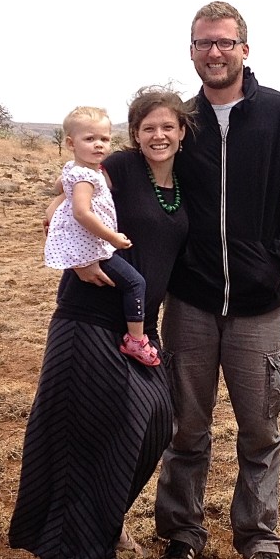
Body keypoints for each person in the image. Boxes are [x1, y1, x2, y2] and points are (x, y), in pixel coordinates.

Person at [152, 1, 280, 559]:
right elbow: (134, 173)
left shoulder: (279, 113)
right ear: (191, 51)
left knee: (260, 427)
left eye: (225, 42)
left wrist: (271, 264)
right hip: (191, 302)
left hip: (258, 305)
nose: (215, 53)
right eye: (204, 44)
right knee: (185, 429)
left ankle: (258, 537)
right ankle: (180, 536)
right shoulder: (182, 120)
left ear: (245, 48)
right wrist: (69, 199)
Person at [8, 87, 192, 559]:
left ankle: (104, 521)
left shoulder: (184, 179)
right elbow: (66, 198)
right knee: (94, 434)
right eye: (149, 127)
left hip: (139, 324)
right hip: (89, 317)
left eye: (169, 127)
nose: (159, 136)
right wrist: (70, 249)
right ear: (135, 134)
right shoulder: (120, 167)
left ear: (182, 132)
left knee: (156, 419)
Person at [44, 106, 159, 367]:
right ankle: (136, 340)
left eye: (104, 139)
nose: (99, 145)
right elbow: (82, 213)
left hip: (90, 245)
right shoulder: (86, 176)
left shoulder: (81, 170)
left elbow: (59, 189)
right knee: (135, 284)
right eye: (90, 139)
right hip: (93, 248)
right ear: (71, 143)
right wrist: (114, 238)